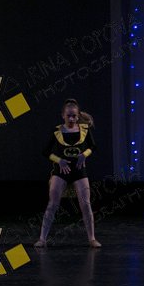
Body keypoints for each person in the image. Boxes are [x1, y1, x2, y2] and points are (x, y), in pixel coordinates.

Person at [34, 98, 101, 248]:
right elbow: (45, 152)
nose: (71, 119)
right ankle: (42, 239)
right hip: (61, 171)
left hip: (79, 170)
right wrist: (59, 160)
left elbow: (93, 146)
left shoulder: (84, 130)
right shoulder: (57, 131)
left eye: (74, 116)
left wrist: (84, 155)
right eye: (68, 116)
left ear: (78, 116)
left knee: (85, 204)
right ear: (63, 115)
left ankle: (92, 238)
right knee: (52, 204)